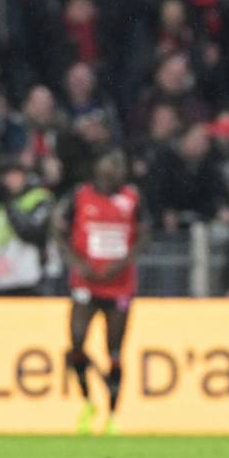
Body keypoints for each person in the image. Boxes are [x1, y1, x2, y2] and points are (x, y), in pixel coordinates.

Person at [53, 148, 150, 435]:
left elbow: (145, 235)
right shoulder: (79, 196)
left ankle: (110, 415)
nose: (117, 169)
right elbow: (58, 230)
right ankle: (87, 400)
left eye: (120, 164)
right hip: (86, 282)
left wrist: (122, 263)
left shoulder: (132, 199)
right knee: (76, 345)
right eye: (112, 163)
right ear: (98, 167)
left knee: (115, 351)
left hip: (119, 284)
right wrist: (77, 263)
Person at [0, 158, 53, 295]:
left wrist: (8, 202)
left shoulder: (38, 198)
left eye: (16, 175)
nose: (11, 180)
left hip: (26, 281)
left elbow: (32, 232)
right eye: (7, 176)